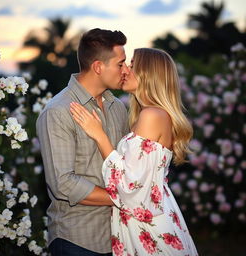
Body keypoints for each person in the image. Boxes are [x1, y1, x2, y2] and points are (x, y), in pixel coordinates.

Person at [70, 48, 199, 255]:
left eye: (132, 65)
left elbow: (130, 187)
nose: (125, 71)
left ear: (149, 74)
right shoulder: (152, 115)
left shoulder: (152, 115)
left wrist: (99, 135)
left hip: (149, 226)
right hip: (151, 218)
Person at [36, 28, 129, 256]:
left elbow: (126, 165)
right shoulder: (58, 111)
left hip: (120, 237)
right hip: (76, 241)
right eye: (120, 64)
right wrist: (126, 199)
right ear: (98, 67)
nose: (126, 70)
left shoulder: (118, 107)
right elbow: (63, 184)